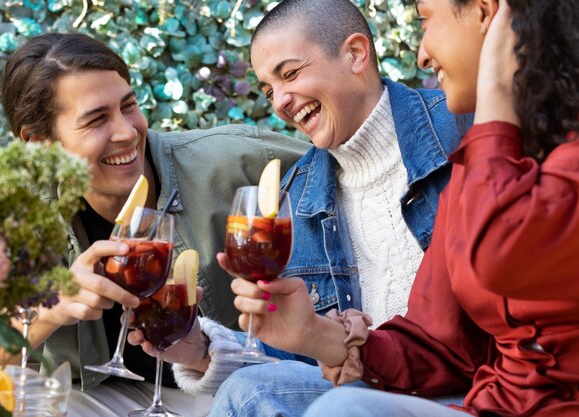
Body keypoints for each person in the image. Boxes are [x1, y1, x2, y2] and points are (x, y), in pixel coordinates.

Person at [231, 0, 579, 416]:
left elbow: (500, 250)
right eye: (269, 89)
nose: (422, 53)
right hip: (493, 404)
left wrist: (495, 98)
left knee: (342, 409)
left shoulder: (473, 140)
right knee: (251, 390)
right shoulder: (473, 162)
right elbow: (440, 341)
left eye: (426, 21)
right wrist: (317, 335)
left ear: (487, 14)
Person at [128, 0, 471, 412]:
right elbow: (306, 353)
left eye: (290, 74)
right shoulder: (298, 194)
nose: (279, 102)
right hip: (362, 386)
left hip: (465, 387)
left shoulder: (463, 132)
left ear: (356, 54)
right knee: (254, 388)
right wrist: (199, 349)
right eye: (269, 89)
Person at [0, 32, 308, 416]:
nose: (127, 132)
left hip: (223, 390)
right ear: (39, 143)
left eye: (129, 106)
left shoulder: (235, 160)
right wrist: (54, 308)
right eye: (96, 120)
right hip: (97, 398)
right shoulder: (18, 218)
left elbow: (347, 171)